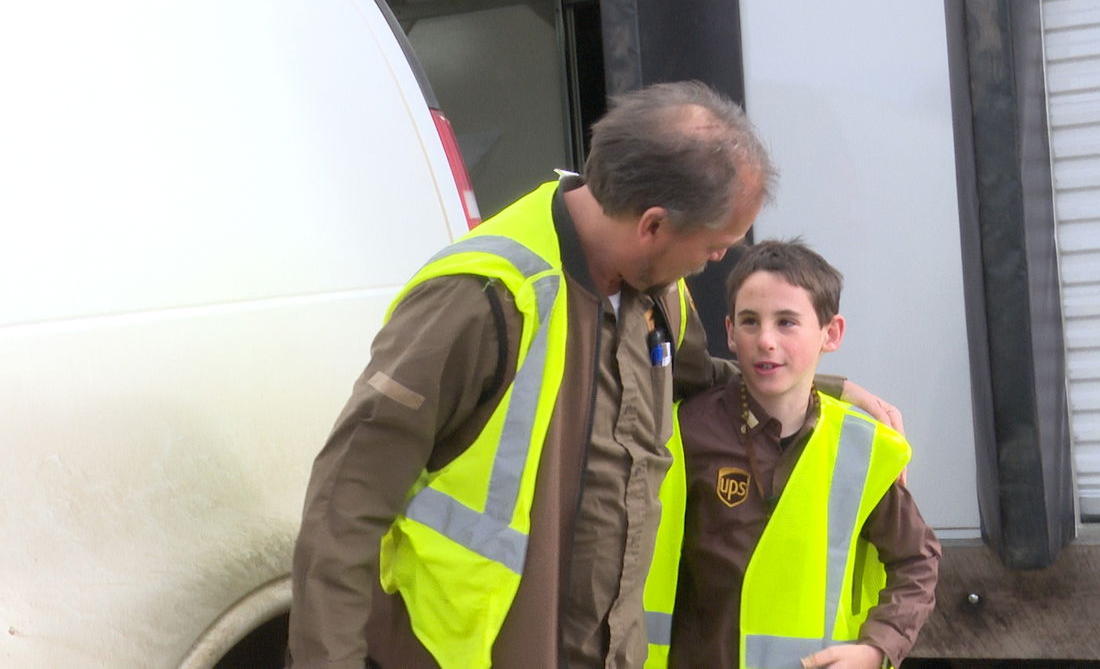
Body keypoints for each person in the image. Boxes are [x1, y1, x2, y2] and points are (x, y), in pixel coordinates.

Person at [287, 82, 902, 669]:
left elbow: (703, 381)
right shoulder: (483, 301)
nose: (718, 260)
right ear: (653, 225)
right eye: (716, 246)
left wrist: (821, 386)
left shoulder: (660, 292)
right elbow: (346, 504)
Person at [644, 239, 940, 669]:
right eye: (750, 322)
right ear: (729, 332)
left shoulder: (861, 447)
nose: (765, 340)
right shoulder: (683, 432)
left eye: (786, 322)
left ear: (831, 333)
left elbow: (917, 559)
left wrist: (877, 648)